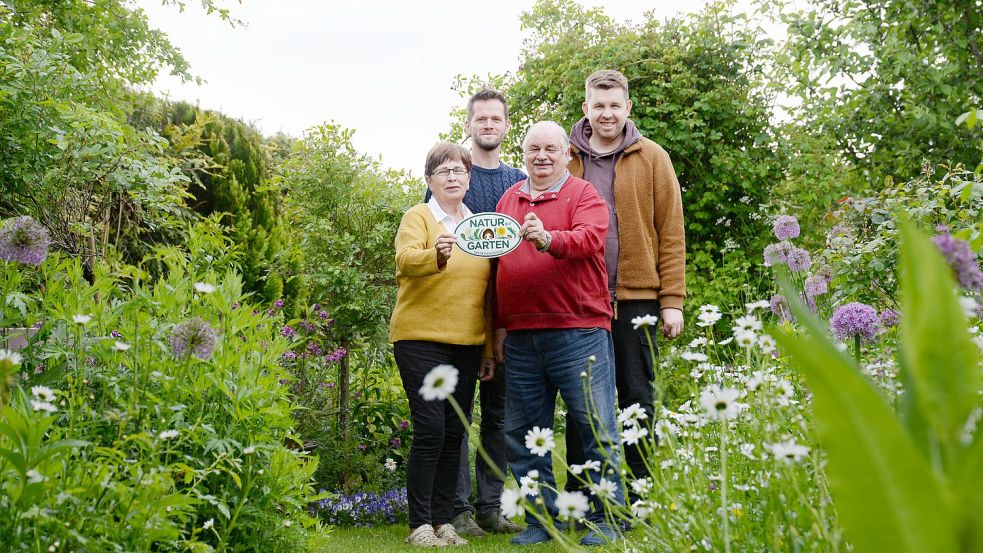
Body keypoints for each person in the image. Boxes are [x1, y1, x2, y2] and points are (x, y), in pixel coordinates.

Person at [495, 121, 624, 546]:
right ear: (524, 153)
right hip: (521, 335)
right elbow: (495, 265)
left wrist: (548, 239)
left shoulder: (584, 194)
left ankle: (608, 517)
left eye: (551, 148)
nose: (542, 156)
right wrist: (497, 327)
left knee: (595, 426)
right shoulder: (508, 200)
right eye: (534, 149)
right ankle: (540, 520)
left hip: (578, 329)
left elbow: (590, 239)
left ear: (566, 153)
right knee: (523, 431)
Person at [564, 69, 686, 501]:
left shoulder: (652, 157)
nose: (607, 113)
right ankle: (580, 496)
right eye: (598, 105)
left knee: (637, 396)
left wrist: (672, 300)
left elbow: (671, 231)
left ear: (628, 108)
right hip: (580, 300)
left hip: (638, 298)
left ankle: (639, 495)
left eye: (615, 105)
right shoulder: (567, 158)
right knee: (582, 401)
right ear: (586, 109)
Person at [424, 87, 526, 537]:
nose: (488, 125)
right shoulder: (452, 176)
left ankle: (490, 505)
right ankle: (457, 509)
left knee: (500, 413)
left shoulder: (520, 182)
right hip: (461, 314)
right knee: (459, 416)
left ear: (506, 126)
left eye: (495, 119)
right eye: (480, 118)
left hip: (508, 312)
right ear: (468, 124)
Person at [390, 142, 496, 548]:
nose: (453, 177)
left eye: (460, 171)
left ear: (469, 179)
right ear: (429, 180)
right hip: (420, 339)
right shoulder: (419, 217)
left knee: (455, 431)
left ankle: (443, 520)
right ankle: (419, 524)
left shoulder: (477, 226)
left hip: (466, 344)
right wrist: (433, 254)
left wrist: (486, 349)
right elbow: (404, 260)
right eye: (444, 171)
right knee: (431, 428)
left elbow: (486, 294)